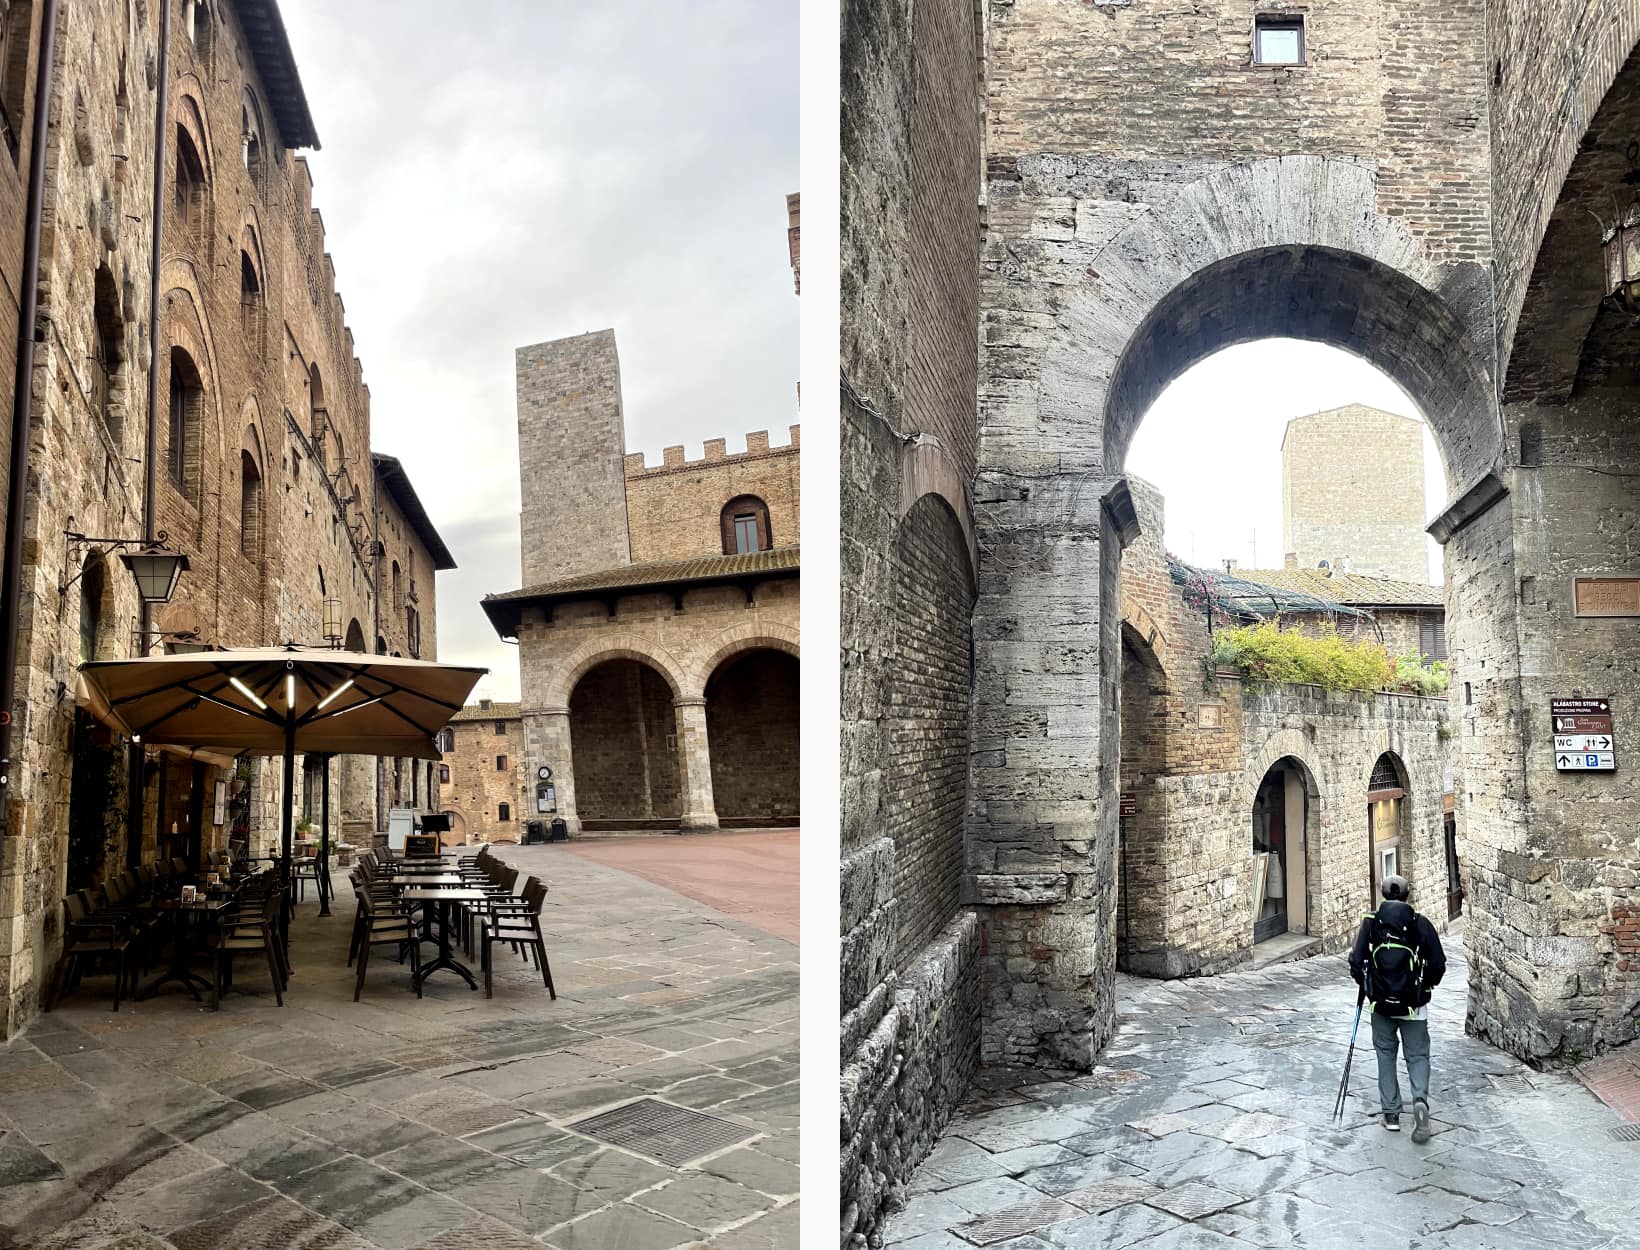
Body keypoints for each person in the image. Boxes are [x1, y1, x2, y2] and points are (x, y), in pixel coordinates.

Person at [1348, 874, 1446, 1141]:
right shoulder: (1419, 923)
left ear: (1382, 894)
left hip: (1380, 1005)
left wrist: (1368, 986)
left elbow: (1356, 961)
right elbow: (1438, 963)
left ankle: (1391, 1114)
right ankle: (1420, 1102)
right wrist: (1425, 986)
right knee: (1417, 1055)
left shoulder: (1371, 923)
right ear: (1407, 895)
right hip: (1414, 1005)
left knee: (1385, 1054)